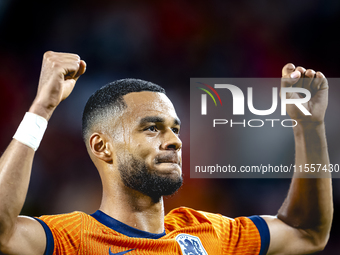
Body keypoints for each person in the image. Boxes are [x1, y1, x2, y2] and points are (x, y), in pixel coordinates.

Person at [0, 51, 333, 255]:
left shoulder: (210, 234)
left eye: (175, 128)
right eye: (151, 128)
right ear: (102, 147)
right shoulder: (72, 240)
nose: (174, 141)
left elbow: (307, 231)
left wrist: (309, 126)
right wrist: (42, 108)